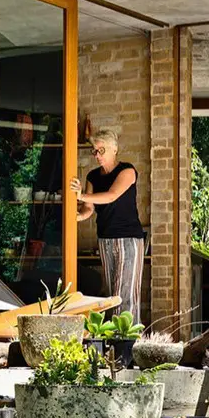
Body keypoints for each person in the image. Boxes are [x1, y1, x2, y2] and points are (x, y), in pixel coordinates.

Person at [70, 128, 146, 321]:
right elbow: (88, 208)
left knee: (126, 295)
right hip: (105, 240)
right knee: (112, 295)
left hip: (129, 240)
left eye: (101, 150)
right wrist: (76, 217)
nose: (97, 155)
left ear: (114, 149)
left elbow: (111, 196)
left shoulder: (127, 171)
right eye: (94, 151)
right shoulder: (93, 177)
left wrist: (81, 195)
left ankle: (128, 343)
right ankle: (115, 342)